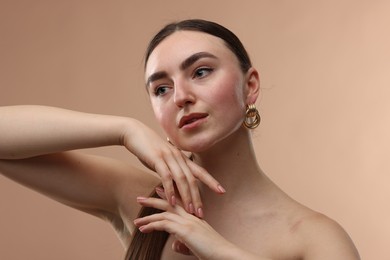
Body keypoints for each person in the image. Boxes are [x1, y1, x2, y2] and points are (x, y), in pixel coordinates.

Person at [0, 19, 360, 260]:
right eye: (161, 88)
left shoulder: (314, 236)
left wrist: (219, 250)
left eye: (201, 71)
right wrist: (124, 130)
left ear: (250, 87)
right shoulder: (145, 200)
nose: (181, 96)